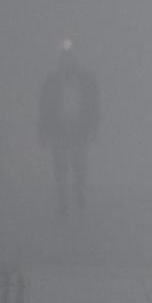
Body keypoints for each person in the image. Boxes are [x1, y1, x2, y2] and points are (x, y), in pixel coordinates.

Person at [38, 40, 100, 217]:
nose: (67, 63)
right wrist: (43, 131)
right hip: (59, 129)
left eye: (69, 59)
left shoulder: (86, 81)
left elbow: (94, 104)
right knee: (60, 166)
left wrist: (94, 126)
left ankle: (79, 190)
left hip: (79, 128)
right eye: (64, 59)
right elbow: (44, 107)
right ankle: (63, 201)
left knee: (79, 164)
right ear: (60, 62)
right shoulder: (51, 82)